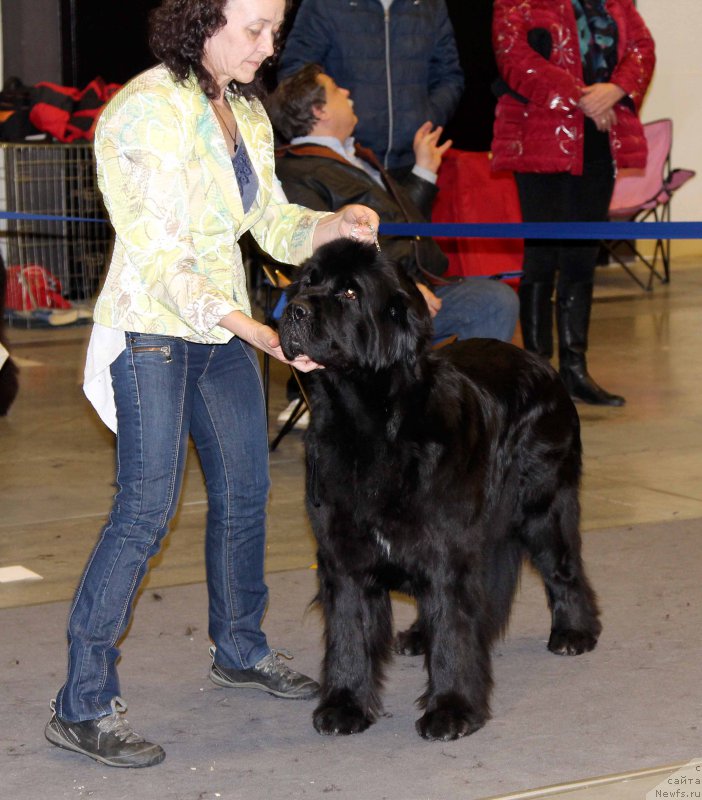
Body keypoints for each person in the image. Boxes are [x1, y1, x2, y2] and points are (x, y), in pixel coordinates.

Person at [44, 0, 380, 770]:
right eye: (255, 28)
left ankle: (240, 647)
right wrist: (254, 327)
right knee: (143, 511)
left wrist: (331, 227)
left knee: (244, 495)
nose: (270, 46)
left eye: (274, 29)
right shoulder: (142, 114)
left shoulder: (248, 115)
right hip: (155, 329)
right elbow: (161, 259)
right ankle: (81, 703)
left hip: (223, 330)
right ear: (202, 21)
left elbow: (268, 221)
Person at [266, 64, 519, 425]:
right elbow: (325, 258)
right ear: (318, 110)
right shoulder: (295, 171)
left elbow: (400, 223)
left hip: (412, 291)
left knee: (494, 298)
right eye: (338, 90)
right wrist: (401, 285)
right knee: (494, 300)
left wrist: (424, 170)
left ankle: (467, 418)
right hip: (368, 306)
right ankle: (442, 417)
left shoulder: (358, 157)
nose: (349, 94)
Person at [491, 0, 655, 406]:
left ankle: (575, 369)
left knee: (582, 259)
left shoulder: (616, 2)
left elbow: (642, 48)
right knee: (542, 257)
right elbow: (513, 57)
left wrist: (615, 90)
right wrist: (584, 98)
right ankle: (536, 373)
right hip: (541, 136)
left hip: (600, 138)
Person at [277, 0, 464, 175]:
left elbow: (449, 76)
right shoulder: (325, 4)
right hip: (343, 162)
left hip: (412, 162)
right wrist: (330, 129)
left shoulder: (430, 5)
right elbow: (296, 76)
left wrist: (427, 119)